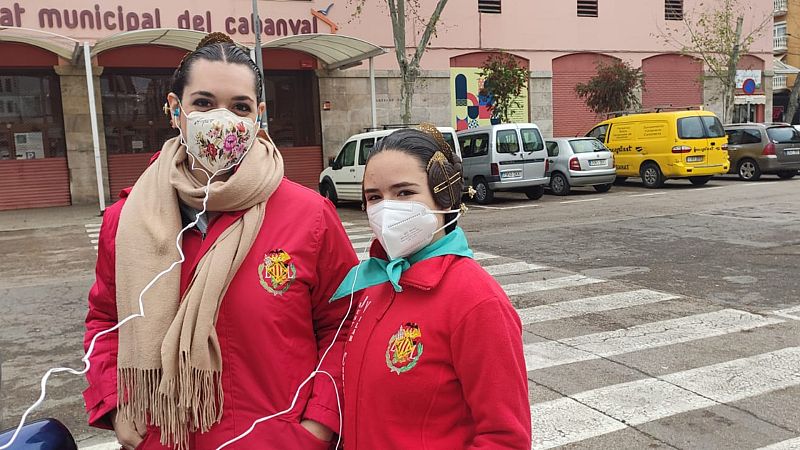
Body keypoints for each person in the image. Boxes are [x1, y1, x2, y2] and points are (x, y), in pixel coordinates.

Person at [83, 32, 356, 450]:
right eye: (204, 103)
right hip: (163, 439)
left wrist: (316, 425)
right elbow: (105, 321)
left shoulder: (310, 216)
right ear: (176, 110)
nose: (222, 119)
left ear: (259, 116)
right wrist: (118, 406)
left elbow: (344, 325)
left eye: (240, 107)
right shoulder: (127, 220)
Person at [334, 127, 532, 449]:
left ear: (444, 196)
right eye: (374, 197)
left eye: (404, 193)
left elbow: (505, 438)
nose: (386, 210)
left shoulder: (477, 302)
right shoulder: (375, 285)